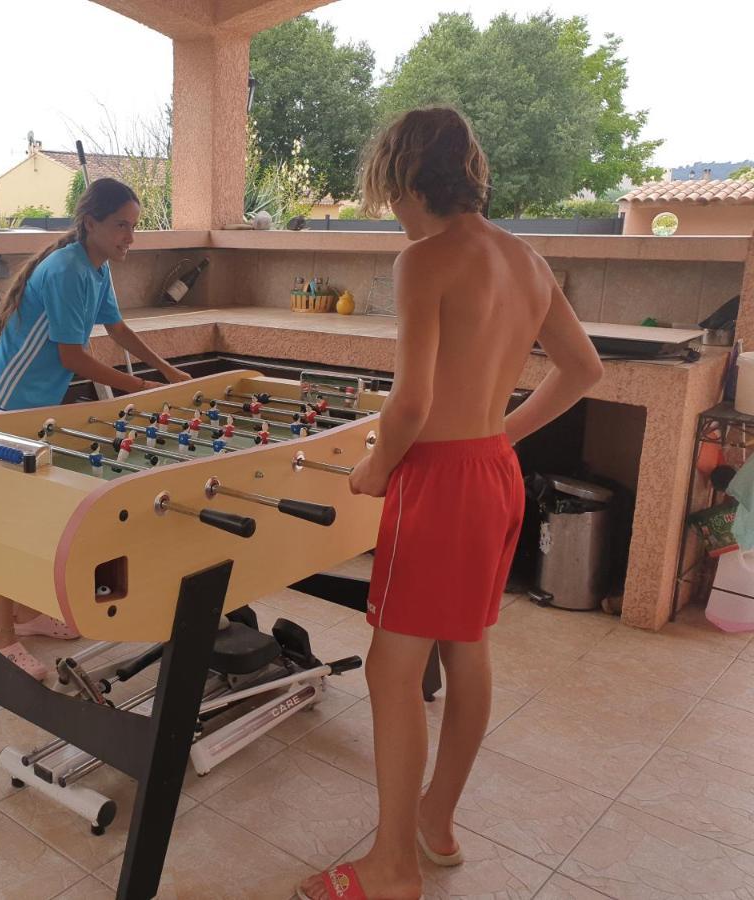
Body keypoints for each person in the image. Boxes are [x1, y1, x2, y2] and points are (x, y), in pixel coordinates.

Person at [297, 107, 603, 900]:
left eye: (389, 196)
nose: (394, 216)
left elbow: (409, 405)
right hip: (493, 475)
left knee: (391, 669)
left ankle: (394, 866)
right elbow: (583, 370)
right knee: (466, 649)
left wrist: (373, 468)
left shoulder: (426, 260)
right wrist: (501, 431)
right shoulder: (527, 259)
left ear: (404, 179)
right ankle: (435, 824)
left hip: (439, 481)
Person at [0, 177, 191, 679]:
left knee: (27, 512)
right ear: (90, 223)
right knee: (8, 520)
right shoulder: (70, 270)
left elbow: (116, 329)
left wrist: (167, 371)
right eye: (121, 226)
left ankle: (25, 616)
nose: (129, 238)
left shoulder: (96, 266)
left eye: (133, 227)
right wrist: (140, 390)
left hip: (34, 404)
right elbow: (73, 355)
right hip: (7, 403)